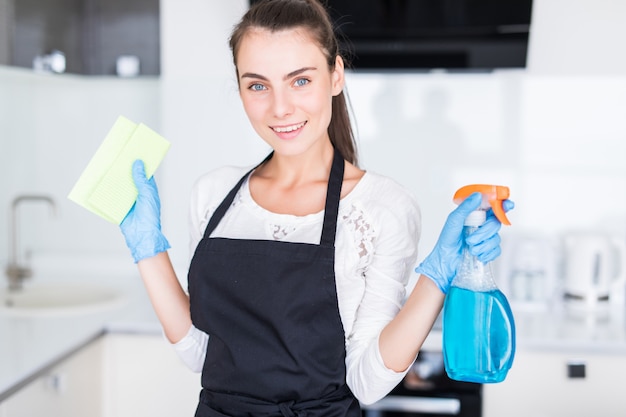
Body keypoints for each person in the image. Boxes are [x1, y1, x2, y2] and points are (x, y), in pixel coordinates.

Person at [119, 0, 514, 416]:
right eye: (258, 85)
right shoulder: (214, 194)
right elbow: (201, 355)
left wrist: (437, 277)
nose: (280, 107)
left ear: (335, 76)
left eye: (300, 81)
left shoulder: (382, 207)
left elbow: (367, 382)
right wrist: (148, 251)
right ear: (239, 89)